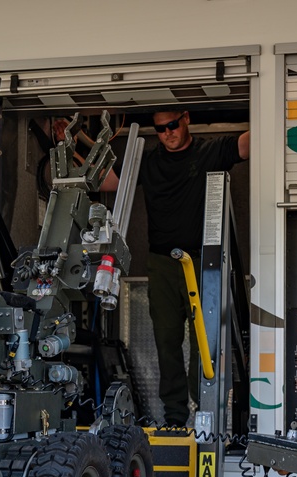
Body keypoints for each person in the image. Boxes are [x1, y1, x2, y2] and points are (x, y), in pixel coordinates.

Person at [103, 110, 249, 426]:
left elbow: (251, 144)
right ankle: (174, 418)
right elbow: (106, 181)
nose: (167, 133)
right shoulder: (148, 160)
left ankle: (207, 411)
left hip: (202, 263)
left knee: (204, 342)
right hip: (162, 263)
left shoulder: (211, 150)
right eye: (160, 129)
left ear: (186, 120)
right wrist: (72, 144)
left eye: (171, 125)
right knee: (166, 342)